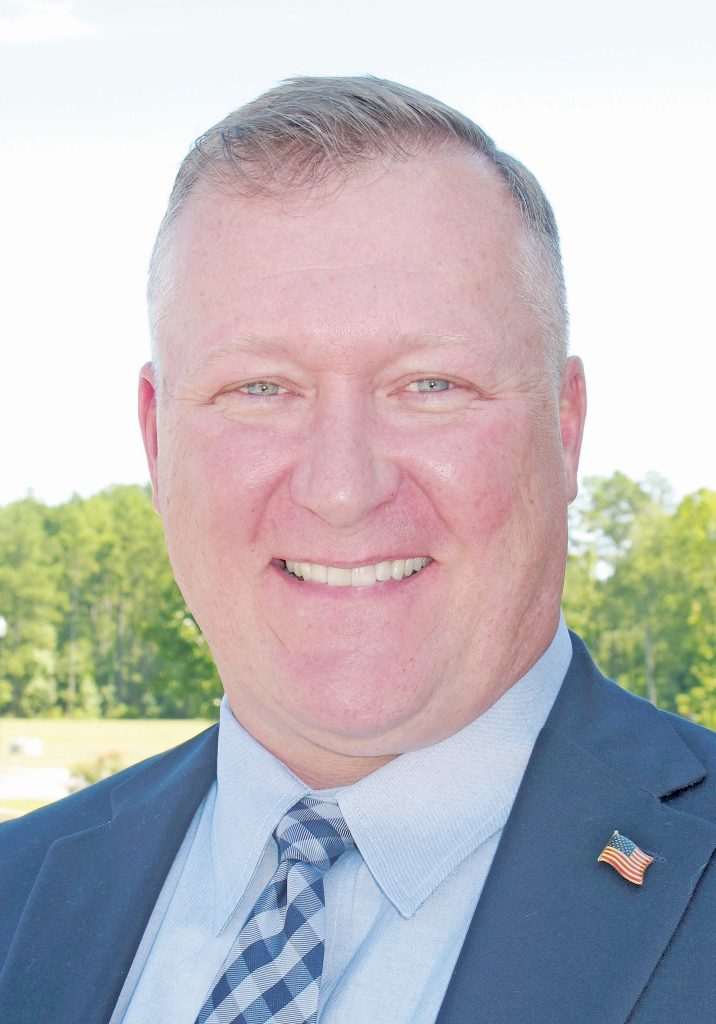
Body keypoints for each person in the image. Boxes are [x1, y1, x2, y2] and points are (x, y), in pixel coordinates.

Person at [1, 76, 714, 1024]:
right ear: (157, 438)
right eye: (261, 389)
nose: (342, 488)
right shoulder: (17, 890)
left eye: (430, 383)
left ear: (565, 425)